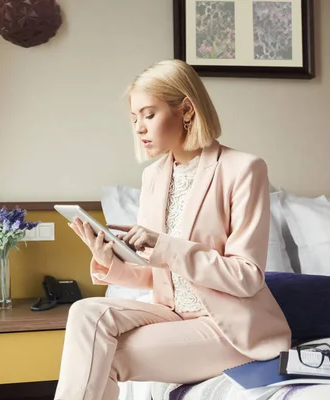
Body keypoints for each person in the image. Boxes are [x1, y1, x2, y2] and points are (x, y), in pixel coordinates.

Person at [53, 59, 291, 400]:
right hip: (171, 314)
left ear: (186, 110)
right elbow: (155, 276)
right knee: (85, 312)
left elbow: (247, 276)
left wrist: (164, 245)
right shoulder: (153, 177)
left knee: (102, 356)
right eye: (134, 118)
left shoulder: (244, 170)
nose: (138, 127)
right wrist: (110, 261)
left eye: (148, 114)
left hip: (226, 328)